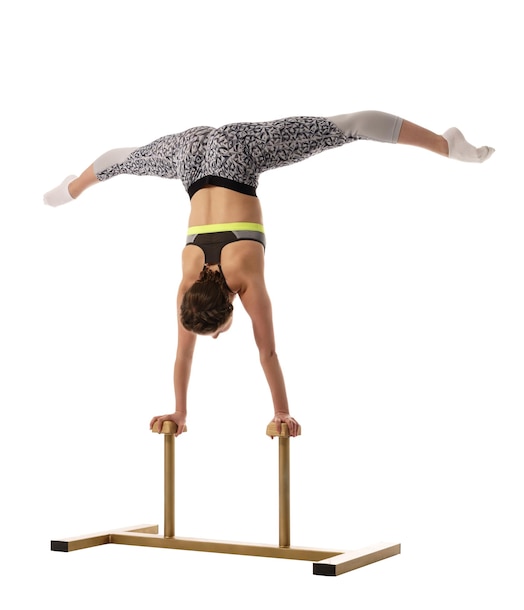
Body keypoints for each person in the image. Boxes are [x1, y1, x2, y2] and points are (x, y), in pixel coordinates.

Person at [43, 111, 494, 437]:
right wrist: (179, 411)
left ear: (229, 306)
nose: (217, 337)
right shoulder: (187, 285)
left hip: (239, 153)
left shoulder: (246, 279)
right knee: (127, 160)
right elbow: (182, 357)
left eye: (217, 331)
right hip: (190, 156)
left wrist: (282, 411)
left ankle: (446, 145)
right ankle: (72, 188)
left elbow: (269, 354)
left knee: (350, 128)